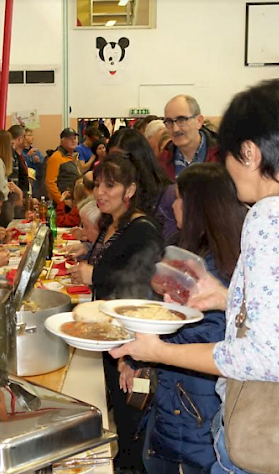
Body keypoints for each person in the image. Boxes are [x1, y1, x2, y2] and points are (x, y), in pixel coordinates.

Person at [110, 79, 279, 474]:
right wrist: (226, 297)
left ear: (249, 152)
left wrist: (158, 353)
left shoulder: (271, 215)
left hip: (271, 435)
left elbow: (265, 358)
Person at [135, 163, 247, 474]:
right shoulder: (212, 253)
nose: (173, 204)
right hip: (182, 399)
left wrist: (144, 339)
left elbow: (207, 334)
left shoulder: (212, 267)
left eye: (180, 198)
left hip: (193, 408)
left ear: (199, 206)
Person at [69, 152, 165, 473]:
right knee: (121, 423)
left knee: (134, 427)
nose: (100, 193)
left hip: (131, 342)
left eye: (110, 185)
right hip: (110, 338)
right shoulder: (110, 223)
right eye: (97, 184)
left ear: (130, 190)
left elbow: (144, 286)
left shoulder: (143, 229)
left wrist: (132, 358)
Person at [107, 128, 177, 243]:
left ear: (138, 159)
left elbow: (167, 244)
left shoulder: (166, 195)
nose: (116, 166)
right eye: (111, 160)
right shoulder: (118, 193)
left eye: (120, 159)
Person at [157, 95, 220, 180]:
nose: (175, 129)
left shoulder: (222, 157)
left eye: (182, 120)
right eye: (169, 122)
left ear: (199, 121)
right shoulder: (162, 161)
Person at [45, 127, 79, 203]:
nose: (73, 141)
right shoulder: (56, 157)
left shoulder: (74, 157)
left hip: (74, 200)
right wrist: (61, 201)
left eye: (75, 138)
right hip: (64, 202)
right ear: (62, 141)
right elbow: (50, 183)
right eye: (70, 139)